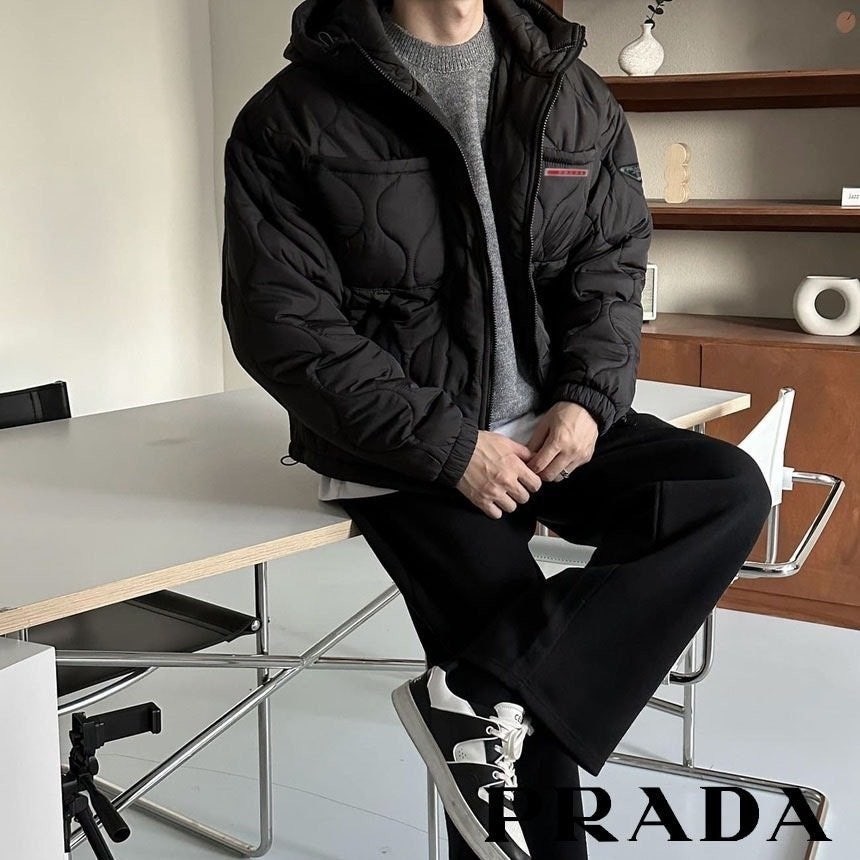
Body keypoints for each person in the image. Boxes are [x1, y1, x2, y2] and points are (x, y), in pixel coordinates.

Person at [221, 0, 772, 857]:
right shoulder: (291, 116)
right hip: (405, 446)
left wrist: (587, 399)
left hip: (552, 420)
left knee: (723, 491)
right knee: (523, 681)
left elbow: (609, 267)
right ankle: (486, 702)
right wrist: (450, 448)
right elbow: (282, 324)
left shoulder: (570, 90)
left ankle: (473, 695)